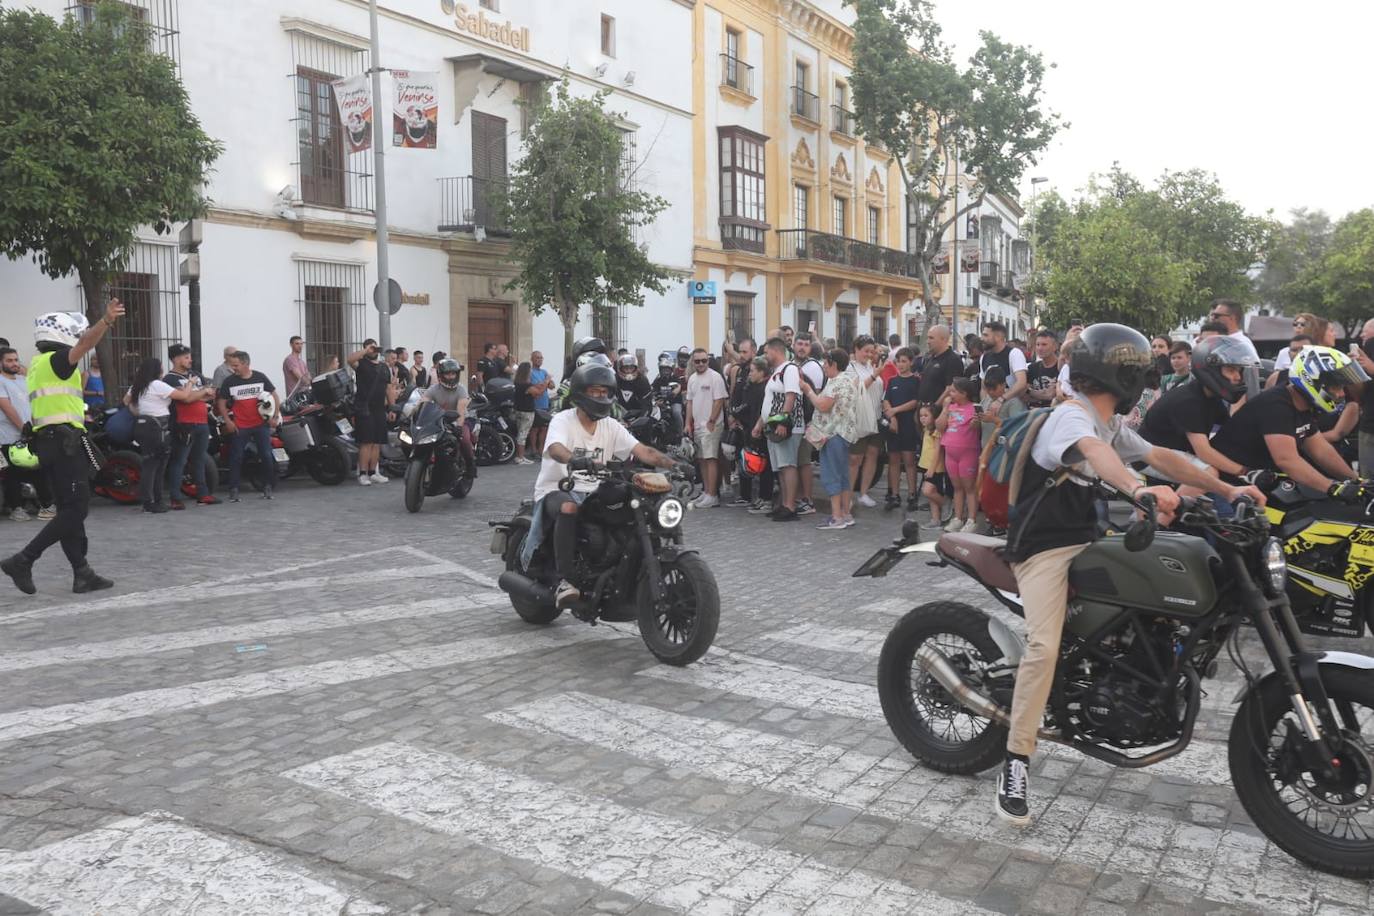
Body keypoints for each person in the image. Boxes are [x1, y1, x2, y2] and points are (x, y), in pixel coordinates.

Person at [997, 323, 1263, 826]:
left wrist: (1229, 491)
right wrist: (1140, 490)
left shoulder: (1110, 425)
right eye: (1139, 371)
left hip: (1091, 539)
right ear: (1122, 376)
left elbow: (1161, 456)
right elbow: (1100, 459)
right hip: (1044, 551)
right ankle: (1016, 759)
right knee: (1043, 647)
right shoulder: (1069, 421)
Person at [529, 362, 682, 607]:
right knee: (569, 508)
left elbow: (643, 451)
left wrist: (674, 464)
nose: (602, 396)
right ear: (581, 392)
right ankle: (564, 580)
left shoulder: (610, 425)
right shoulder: (563, 420)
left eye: (605, 392)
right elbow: (555, 448)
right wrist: (573, 459)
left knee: (631, 509)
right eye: (595, 391)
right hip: (559, 488)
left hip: (595, 490)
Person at [2, 300, 126, 596]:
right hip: (63, 442)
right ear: (61, 334)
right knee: (76, 508)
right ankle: (23, 560)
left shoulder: (37, 365)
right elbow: (85, 343)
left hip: (54, 442)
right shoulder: (58, 360)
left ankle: (82, 573)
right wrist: (106, 321)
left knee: (71, 509)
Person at [1208, 345, 1367, 494]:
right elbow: (1287, 460)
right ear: (1315, 380)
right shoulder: (1276, 406)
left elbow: (1320, 450)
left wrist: (1357, 483)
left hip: (1252, 482)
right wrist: (1333, 488)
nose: (1342, 394)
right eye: (1336, 387)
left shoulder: (1301, 404)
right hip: (1223, 484)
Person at [1139, 336, 1255, 483]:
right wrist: (1246, 472)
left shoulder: (1209, 396)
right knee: (1209, 473)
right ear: (1211, 370)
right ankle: (1173, 505)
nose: (1237, 377)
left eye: (1239, 370)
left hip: (1175, 452)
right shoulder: (1189, 401)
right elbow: (1204, 452)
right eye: (1231, 370)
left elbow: (1231, 430)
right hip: (1149, 456)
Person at [126, 357, 212, 513]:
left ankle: (153, 500)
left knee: (150, 464)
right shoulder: (157, 385)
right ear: (156, 370)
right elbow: (184, 396)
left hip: (143, 426)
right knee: (157, 465)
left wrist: (139, 413)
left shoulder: (137, 386)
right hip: (158, 426)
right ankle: (151, 501)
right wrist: (191, 383)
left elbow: (127, 401)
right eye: (160, 368)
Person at [801, 347, 860, 530]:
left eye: (825, 363)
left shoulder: (836, 382)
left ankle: (836, 517)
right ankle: (845, 514)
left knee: (832, 475)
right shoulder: (848, 380)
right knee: (843, 476)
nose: (823, 367)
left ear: (833, 364)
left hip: (833, 434)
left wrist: (808, 390)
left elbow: (823, 405)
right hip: (843, 434)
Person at [216, 351, 280, 502]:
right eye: (232, 365)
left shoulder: (260, 377)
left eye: (236, 365)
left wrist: (274, 416)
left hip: (260, 425)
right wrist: (228, 421)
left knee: (266, 455)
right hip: (240, 426)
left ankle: (268, 486)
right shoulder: (229, 381)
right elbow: (221, 402)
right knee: (236, 457)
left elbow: (275, 396)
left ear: (245, 364)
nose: (233, 369)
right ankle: (233, 489)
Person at [754, 337, 805, 521]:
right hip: (772, 427)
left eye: (767, 352)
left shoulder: (789, 369)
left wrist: (784, 421)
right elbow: (769, 401)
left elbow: (790, 397)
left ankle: (790, 506)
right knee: (780, 467)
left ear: (776, 351)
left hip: (786, 427)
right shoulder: (777, 371)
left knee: (788, 465)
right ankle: (784, 503)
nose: (765, 356)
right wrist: (760, 423)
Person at [0, 346, 54, 521]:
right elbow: (7, 408)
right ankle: (16, 509)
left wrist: (32, 427)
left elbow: (33, 404)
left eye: (16, 360)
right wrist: (23, 427)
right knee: (13, 474)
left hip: (29, 435)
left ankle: (47, 505)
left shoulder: (24, 380)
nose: (14, 363)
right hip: (9, 436)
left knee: (39, 469)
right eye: (9, 360)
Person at [163, 344, 219, 509]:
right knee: (179, 461)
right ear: (176, 359)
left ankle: (202, 494)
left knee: (199, 459)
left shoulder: (195, 375)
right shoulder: (170, 379)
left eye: (189, 357)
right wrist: (201, 393)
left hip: (202, 422)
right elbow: (185, 399)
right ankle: (175, 497)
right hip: (183, 424)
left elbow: (210, 394)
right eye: (186, 357)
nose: (190, 360)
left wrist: (197, 394)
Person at [726, 356, 774, 511]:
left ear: (761, 372)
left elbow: (764, 411)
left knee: (766, 467)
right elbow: (747, 406)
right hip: (749, 429)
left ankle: (766, 499)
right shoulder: (752, 387)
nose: (749, 374)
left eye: (753, 371)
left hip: (762, 432)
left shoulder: (765, 388)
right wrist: (736, 414)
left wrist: (758, 427)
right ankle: (760, 497)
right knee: (752, 463)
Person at [419, 357, 477, 475]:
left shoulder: (461, 389)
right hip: (438, 420)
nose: (451, 376)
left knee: (464, 439)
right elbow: (422, 403)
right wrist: (410, 414)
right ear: (441, 375)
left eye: (453, 374)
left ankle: (471, 465)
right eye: (447, 374)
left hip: (458, 420)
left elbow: (460, 410)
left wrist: (459, 427)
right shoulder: (434, 389)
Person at [685, 347, 727, 508]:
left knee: (711, 459)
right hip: (697, 425)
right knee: (701, 459)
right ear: (693, 362)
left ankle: (712, 494)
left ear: (708, 361)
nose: (701, 364)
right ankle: (706, 491)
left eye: (704, 361)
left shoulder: (715, 378)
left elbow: (719, 400)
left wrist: (711, 420)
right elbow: (689, 402)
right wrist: (687, 423)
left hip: (712, 425)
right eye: (697, 361)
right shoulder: (692, 379)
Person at [937, 378, 981, 532]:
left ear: (964, 393)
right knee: (957, 487)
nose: (951, 393)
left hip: (968, 452)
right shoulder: (950, 407)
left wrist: (977, 423)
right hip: (950, 452)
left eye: (954, 391)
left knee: (969, 487)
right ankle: (957, 518)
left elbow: (977, 427)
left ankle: (972, 519)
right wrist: (945, 409)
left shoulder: (973, 408)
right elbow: (939, 426)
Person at [845, 335, 883, 508]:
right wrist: (875, 375)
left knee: (872, 455)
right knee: (855, 458)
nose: (869, 354)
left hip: (875, 416)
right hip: (859, 418)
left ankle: (864, 492)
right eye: (865, 351)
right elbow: (856, 389)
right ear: (856, 350)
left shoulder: (871, 366)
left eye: (871, 351)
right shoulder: (850, 368)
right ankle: (848, 493)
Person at [881, 347, 921, 511]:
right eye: (898, 361)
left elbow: (915, 402)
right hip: (894, 425)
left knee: (909, 461)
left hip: (909, 425)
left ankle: (912, 494)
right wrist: (892, 417)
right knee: (893, 460)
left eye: (904, 361)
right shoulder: (892, 381)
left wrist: (896, 411)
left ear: (911, 362)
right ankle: (895, 494)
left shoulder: (916, 381)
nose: (901, 364)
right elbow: (886, 401)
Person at [348, 339, 392, 485]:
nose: (374, 350)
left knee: (377, 442)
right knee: (366, 442)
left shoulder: (384, 367)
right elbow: (350, 359)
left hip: (379, 408)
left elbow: (388, 389)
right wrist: (366, 350)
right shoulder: (361, 364)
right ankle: (363, 474)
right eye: (371, 348)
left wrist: (392, 408)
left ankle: (373, 472)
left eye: (375, 347)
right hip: (364, 408)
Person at [793, 332, 825, 516]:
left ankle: (807, 499)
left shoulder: (812, 368)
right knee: (796, 461)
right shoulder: (793, 364)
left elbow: (817, 396)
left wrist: (811, 422)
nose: (802, 347)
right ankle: (798, 497)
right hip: (794, 420)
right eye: (800, 343)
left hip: (807, 420)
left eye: (806, 344)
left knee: (804, 461)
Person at [917, 405, 950, 529]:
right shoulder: (926, 429)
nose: (922, 419)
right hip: (927, 465)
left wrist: (931, 468)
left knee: (928, 490)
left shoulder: (936, 431)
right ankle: (935, 519)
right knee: (932, 493)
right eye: (921, 416)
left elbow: (937, 451)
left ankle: (946, 504)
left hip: (935, 467)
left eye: (926, 416)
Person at [979, 321, 1028, 403]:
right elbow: (983, 388)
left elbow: (1021, 383)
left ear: (998, 337)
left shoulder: (1014, 354)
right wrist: (985, 405)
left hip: (1011, 405)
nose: (982, 339)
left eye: (986, 335)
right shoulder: (984, 357)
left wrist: (1001, 400)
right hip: (992, 407)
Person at [918, 325, 963, 407]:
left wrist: (934, 408)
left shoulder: (953, 360)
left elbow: (950, 388)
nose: (928, 341)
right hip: (923, 411)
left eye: (931, 338)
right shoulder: (929, 358)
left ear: (943, 339)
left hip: (939, 412)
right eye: (927, 338)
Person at [513, 360, 541, 465]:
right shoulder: (526, 385)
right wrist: (546, 381)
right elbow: (538, 393)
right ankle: (520, 457)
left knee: (520, 432)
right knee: (523, 434)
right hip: (527, 411)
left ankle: (519, 455)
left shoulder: (517, 383)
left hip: (518, 410)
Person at [1024, 330, 1060, 406]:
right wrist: (1041, 394)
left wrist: (1032, 392)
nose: (1040, 348)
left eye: (1044, 344)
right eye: (1037, 344)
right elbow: (1024, 396)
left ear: (1055, 346)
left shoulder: (1062, 368)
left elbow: (1051, 395)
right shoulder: (1032, 368)